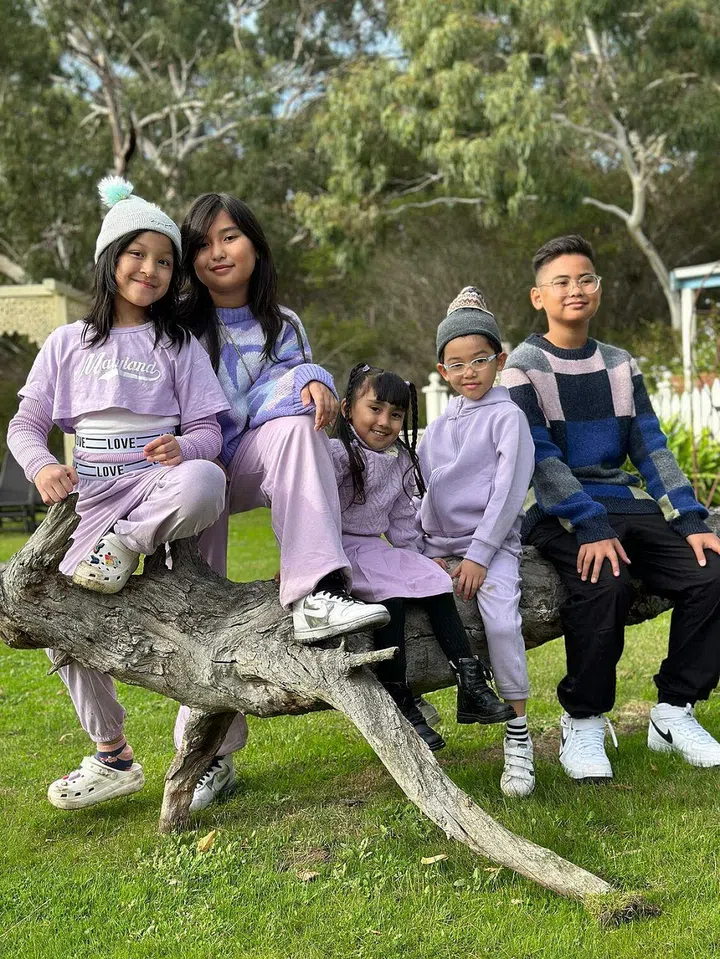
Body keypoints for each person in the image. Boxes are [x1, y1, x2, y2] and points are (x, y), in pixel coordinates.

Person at [7, 177, 230, 810]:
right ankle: (112, 755)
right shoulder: (66, 344)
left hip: (157, 490)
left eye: (165, 261)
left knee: (205, 481)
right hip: (90, 499)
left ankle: (126, 547)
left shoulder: (178, 344)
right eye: (138, 255)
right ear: (110, 260)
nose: (151, 270)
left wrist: (184, 448)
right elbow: (25, 426)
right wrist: (44, 467)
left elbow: (211, 432)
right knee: (56, 622)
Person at [173, 194, 389, 812]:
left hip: (253, 457)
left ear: (256, 246)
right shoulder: (180, 324)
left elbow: (277, 403)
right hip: (195, 464)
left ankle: (313, 595)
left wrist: (307, 378)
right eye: (203, 244)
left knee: (297, 431)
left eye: (231, 237)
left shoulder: (283, 325)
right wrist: (302, 382)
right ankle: (211, 754)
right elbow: (223, 408)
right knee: (200, 609)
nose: (218, 253)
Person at [502, 234, 720, 782]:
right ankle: (584, 719)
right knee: (607, 584)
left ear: (597, 289)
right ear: (538, 297)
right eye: (561, 282)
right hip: (555, 511)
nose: (575, 290)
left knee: (712, 573)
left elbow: (651, 445)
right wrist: (590, 524)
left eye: (585, 279)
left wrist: (690, 519)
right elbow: (539, 456)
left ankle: (673, 711)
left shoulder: (621, 364)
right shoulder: (522, 367)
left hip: (626, 504)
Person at [329, 362, 514, 756]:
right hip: (335, 548)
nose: (385, 422)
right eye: (374, 409)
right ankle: (400, 698)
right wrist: (304, 560)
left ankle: (472, 684)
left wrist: (416, 557)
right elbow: (306, 507)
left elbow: (399, 517)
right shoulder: (335, 454)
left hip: (373, 546)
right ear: (347, 409)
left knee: (434, 580)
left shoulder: (397, 460)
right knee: (389, 596)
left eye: (395, 415)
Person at [417, 288, 536, 797]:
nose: (470, 373)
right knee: (396, 606)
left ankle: (518, 727)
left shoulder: (507, 417)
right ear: (442, 369)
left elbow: (509, 491)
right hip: (436, 546)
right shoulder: (435, 429)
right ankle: (412, 702)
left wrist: (480, 556)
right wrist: (428, 553)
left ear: (500, 360)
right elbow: (420, 492)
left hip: (490, 545)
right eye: (457, 363)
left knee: (502, 620)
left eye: (480, 360)